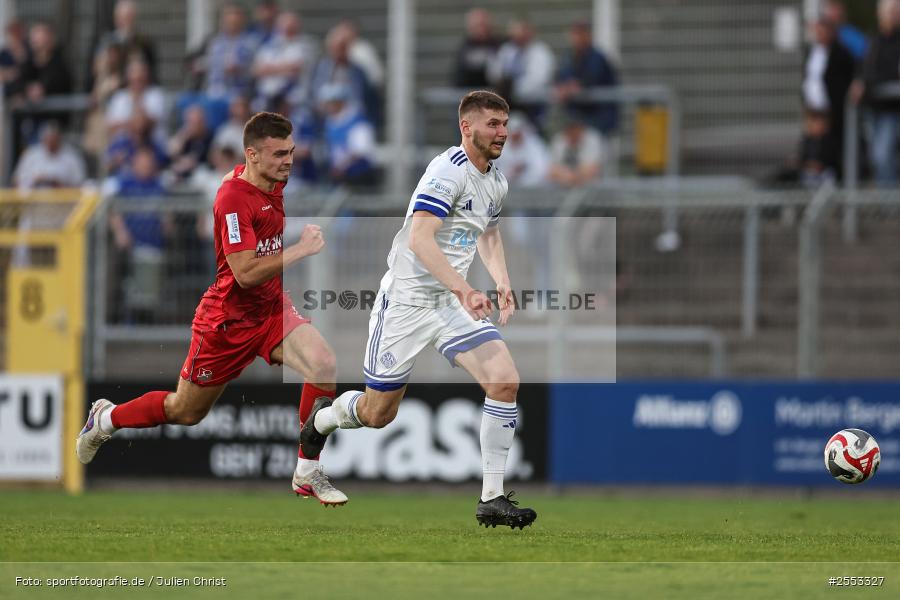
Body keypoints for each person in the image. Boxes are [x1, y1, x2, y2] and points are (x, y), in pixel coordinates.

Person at [76, 112, 348, 506]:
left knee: (323, 364)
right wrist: (301, 249)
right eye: (278, 155)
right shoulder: (234, 199)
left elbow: (237, 180)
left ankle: (307, 471)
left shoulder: (266, 178)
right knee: (185, 411)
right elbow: (244, 273)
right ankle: (105, 419)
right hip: (226, 322)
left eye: (290, 152)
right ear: (253, 155)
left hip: (271, 309)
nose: (288, 161)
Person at [299, 91, 537, 529]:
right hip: (407, 304)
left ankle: (492, 498)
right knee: (377, 415)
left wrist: (501, 280)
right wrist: (467, 289)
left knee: (504, 381)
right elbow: (420, 240)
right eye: (493, 123)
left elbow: (487, 233)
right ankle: (324, 418)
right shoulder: (447, 172)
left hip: (449, 302)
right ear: (467, 127)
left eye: (505, 123)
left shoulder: (496, 180)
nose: (502, 131)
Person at [854, 0, 900, 183]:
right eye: (890, 10)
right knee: (878, 157)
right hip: (876, 109)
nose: (893, 14)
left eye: (896, 10)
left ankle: (890, 203)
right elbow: (866, 69)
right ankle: (887, 204)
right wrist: (860, 82)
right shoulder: (873, 40)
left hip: (893, 109)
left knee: (882, 155)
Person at [555, 21, 619, 135]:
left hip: (599, 118)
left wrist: (573, 86)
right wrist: (563, 87)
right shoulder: (570, 57)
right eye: (575, 35)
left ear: (588, 36)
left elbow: (592, 78)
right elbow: (561, 77)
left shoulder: (597, 57)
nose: (577, 39)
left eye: (580, 35)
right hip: (578, 118)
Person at [453, 8, 501, 89]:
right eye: (478, 25)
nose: (481, 29)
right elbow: (459, 78)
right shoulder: (465, 48)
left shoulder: (499, 45)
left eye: (483, 25)